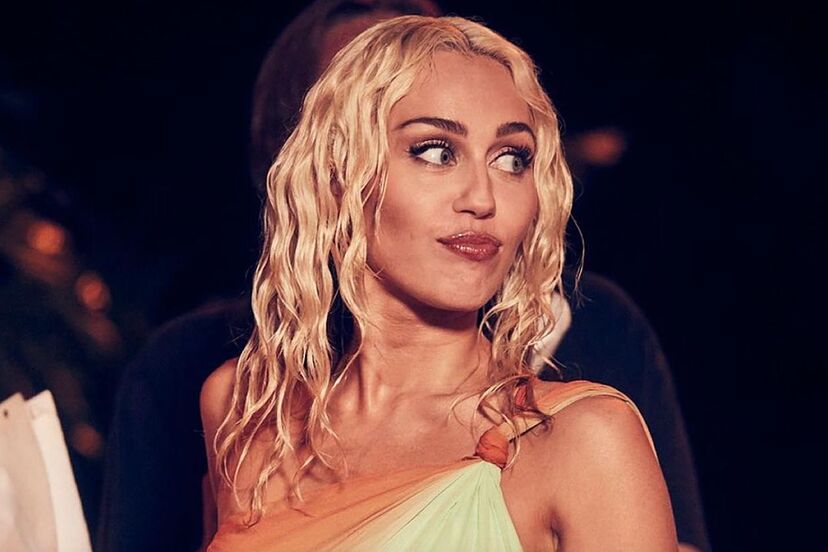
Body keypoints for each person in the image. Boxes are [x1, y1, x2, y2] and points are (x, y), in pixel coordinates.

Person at [97, 2, 709, 552]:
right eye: (435, 151)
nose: (482, 197)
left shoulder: (583, 440)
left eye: (512, 159)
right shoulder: (246, 411)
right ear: (340, 177)